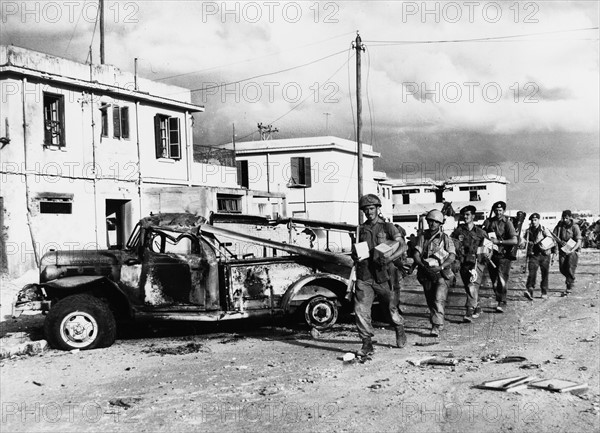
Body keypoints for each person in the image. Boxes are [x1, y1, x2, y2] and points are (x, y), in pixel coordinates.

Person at [353, 194, 406, 357]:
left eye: (371, 209)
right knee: (361, 309)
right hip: (365, 274)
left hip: (384, 275)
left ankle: (399, 327)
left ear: (377, 208)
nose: (368, 212)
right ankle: (366, 343)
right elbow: (354, 250)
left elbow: (402, 246)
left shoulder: (388, 227)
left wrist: (390, 257)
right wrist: (355, 256)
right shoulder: (360, 229)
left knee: (390, 308)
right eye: (365, 210)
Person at [413, 209, 456, 336]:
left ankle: (436, 325)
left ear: (440, 224)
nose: (432, 224)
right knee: (430, 300)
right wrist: (421, 264)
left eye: (435, 222)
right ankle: (437, 321)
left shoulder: (445, 238)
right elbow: (416, 253)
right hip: (426, 273)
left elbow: (452, 256)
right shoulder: (422, 237)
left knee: (439, 299)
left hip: (441, 273)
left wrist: (442, 267)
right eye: (430, 221)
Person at [451, 205, 488, 322]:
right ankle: (477, 307)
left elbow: (489, 246)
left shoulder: (480, 232)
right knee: (468, 286)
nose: (465, 217)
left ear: (473, 216)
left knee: (472, 285)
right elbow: (452, 244)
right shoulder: (458, 231)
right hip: (464, 262)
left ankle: (469, 311)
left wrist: (484, 255)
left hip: (477, 263)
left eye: (467, 215)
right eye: (464, 215)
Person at [482, 201, 518, 313]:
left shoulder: (508, 223)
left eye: (500, 210)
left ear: (504, 211)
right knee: (494, 280)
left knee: (502, 279)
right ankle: (500, 298)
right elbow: (483, 235)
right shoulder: (489, 222)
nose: (498, 212)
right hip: (492, 255)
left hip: (504, 255)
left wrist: (499, 241)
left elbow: (514, 240)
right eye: (496, 210)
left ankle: (501, 301)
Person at [523, 213, 554, 300]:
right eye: (532, 220)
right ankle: (530, 290)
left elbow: (551, 239)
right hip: (533, 255)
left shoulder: (544, 229)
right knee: (532, 273)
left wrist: (542, 244)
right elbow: (524, 241)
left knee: (545, 274)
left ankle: (544, 291)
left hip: (544, 255)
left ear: (539, 220)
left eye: (535, 220)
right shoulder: (528, 231)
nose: (533, 222)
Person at [553, 210, 583, 296]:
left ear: (570, 217)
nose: (565, 219)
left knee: (570, 267)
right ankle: (571, 279)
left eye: (566, 218)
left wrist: (573, 250)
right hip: (562, 249)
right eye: (563, 217)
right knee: (562, 268)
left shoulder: (575, 227)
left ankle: (568, 286)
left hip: (573, 250)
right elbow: (554, 236)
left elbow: (579, 241)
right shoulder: (559, 226)